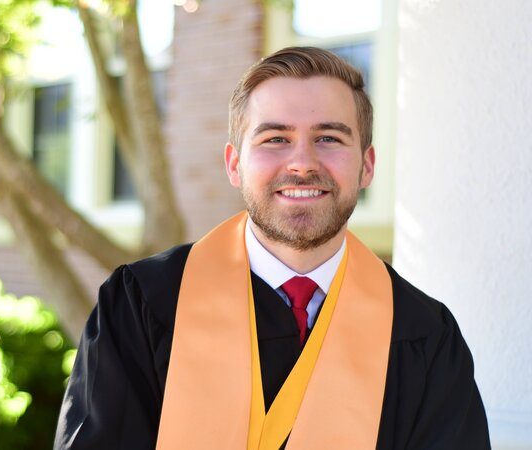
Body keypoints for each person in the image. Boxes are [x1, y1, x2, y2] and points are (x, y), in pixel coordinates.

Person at [54, 47, 490, 450]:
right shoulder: (143, 305)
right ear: (234, 164)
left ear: (367, 166)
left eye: (329, 138)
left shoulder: (424, 335)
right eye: (275, 139)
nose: (302, 162)